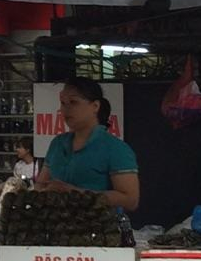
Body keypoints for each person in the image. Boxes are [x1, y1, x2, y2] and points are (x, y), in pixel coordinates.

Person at [36, 79, 139, 212]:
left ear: (95, 106)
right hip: (56, 222)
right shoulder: (57, 144)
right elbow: (40, 185)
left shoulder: (116, 149)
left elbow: (130, 200)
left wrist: (74, 192)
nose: (65, 109)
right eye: (63, 103)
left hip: (99, 223)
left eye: (73, 102)